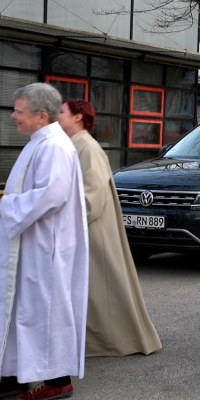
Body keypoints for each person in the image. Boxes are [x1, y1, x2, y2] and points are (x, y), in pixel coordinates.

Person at [0, 83, 88, 400]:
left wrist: (8, 206)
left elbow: (51, 195)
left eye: (19, 111)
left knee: (44, 309)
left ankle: (57, 379)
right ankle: (14, 374)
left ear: (41, 116)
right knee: (17, 308)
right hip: (30, 243)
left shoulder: (53, 146)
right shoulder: (39, 141)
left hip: (46, 246)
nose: (13, 116)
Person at [57, 99, 161, 357]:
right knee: (91, 292)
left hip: (92, 231)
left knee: (102, 292)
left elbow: (91, 196)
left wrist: (59, 220)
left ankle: (120, 340)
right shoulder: (73, 146)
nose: (56, 116)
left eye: (61, 112)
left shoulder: (88, 149)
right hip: (81, 228)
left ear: (78, 117)